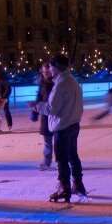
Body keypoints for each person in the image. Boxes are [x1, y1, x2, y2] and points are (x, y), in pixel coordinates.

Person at [32, 55, 86, 202]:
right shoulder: (72, 81)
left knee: (62, 159)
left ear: (56, 67)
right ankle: (78, 184)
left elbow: (52, 109)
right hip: (73, 124)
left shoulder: (61, 84)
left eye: (50, 67)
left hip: (62, 126)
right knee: (73, 156)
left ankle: (64, 188)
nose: (48, 70)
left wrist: (36, 106)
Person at [34, 63, 55, 170]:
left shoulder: (57, 83)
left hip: (56, 116)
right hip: (45, 117)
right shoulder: (42, 84)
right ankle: (47, 162)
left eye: (47, 71)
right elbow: (39, 98)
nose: (45, 74)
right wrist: (35, 112)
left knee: (60, 141)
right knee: (47, 142)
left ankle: (64, 161)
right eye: (43, 72)